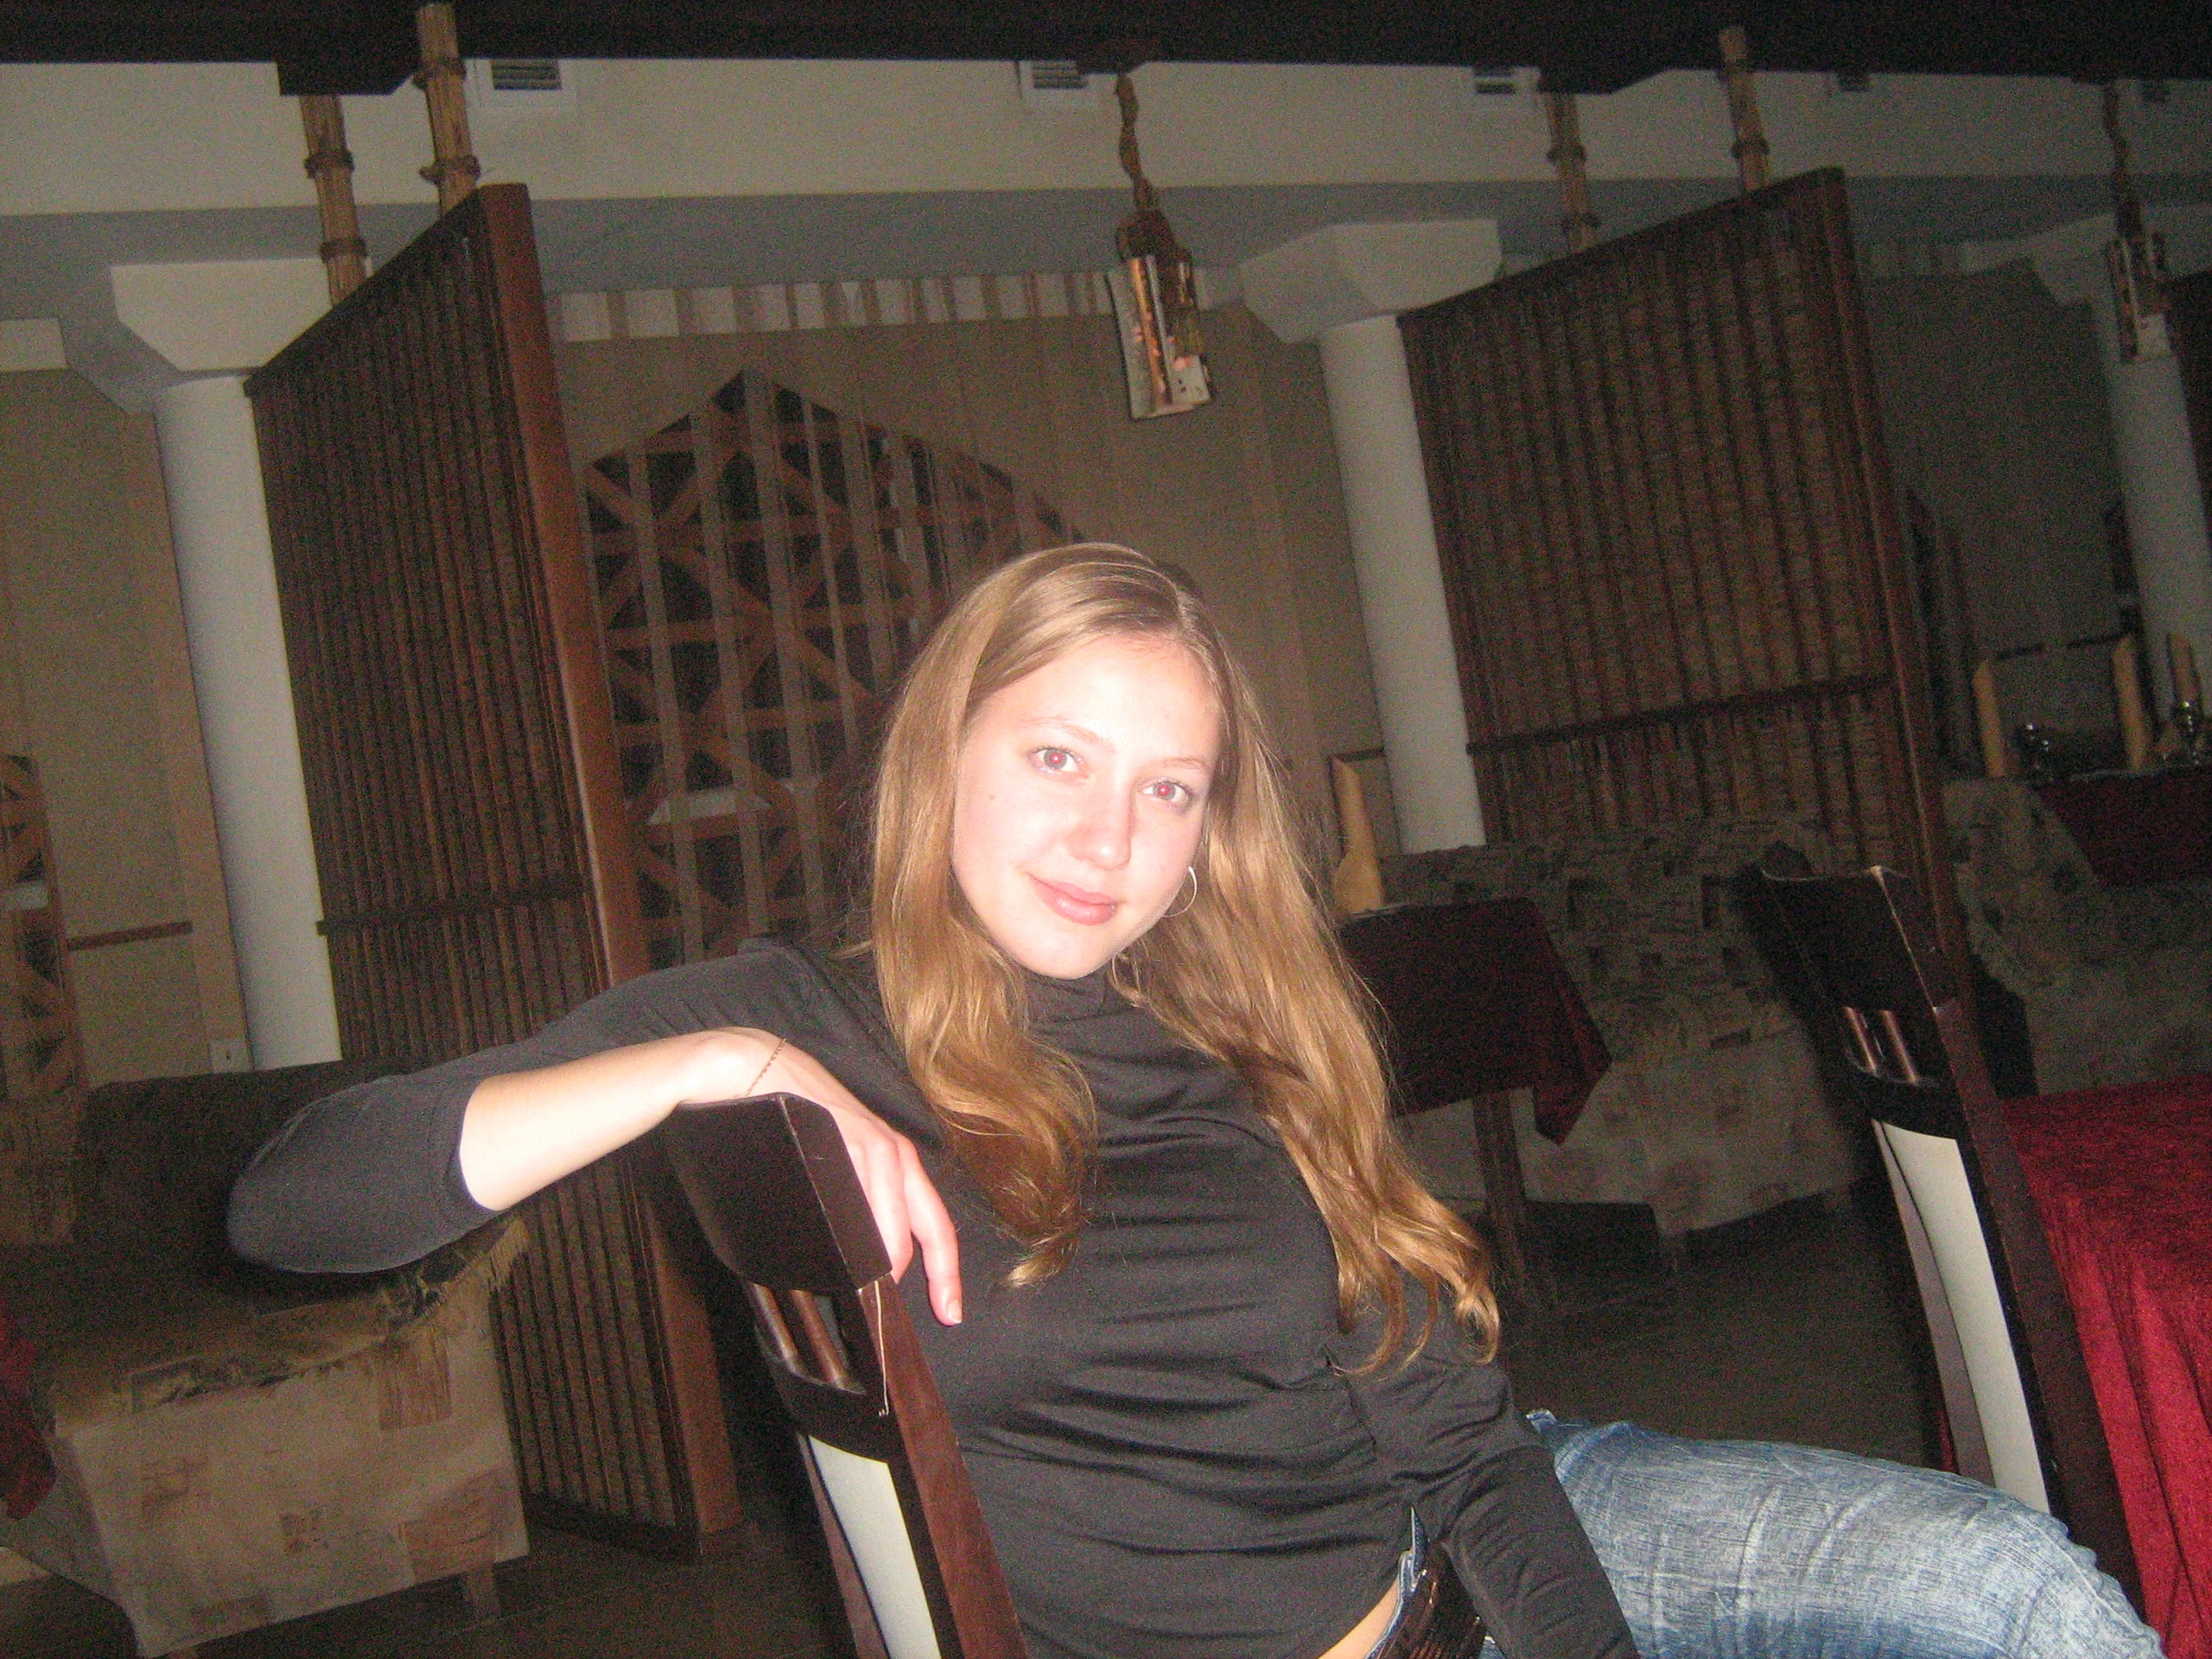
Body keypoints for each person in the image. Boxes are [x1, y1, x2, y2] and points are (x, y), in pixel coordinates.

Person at [230, 545, 2158, 1659]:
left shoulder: (1246, 1018)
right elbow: (299, 1207)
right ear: (943, 753)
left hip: (1486, 1525)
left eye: (1167, 789)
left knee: (2012, 1589)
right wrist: (712, 1065)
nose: (1110, 838)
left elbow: (1451, 1439)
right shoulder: (792, 1018)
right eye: (1058, 757)